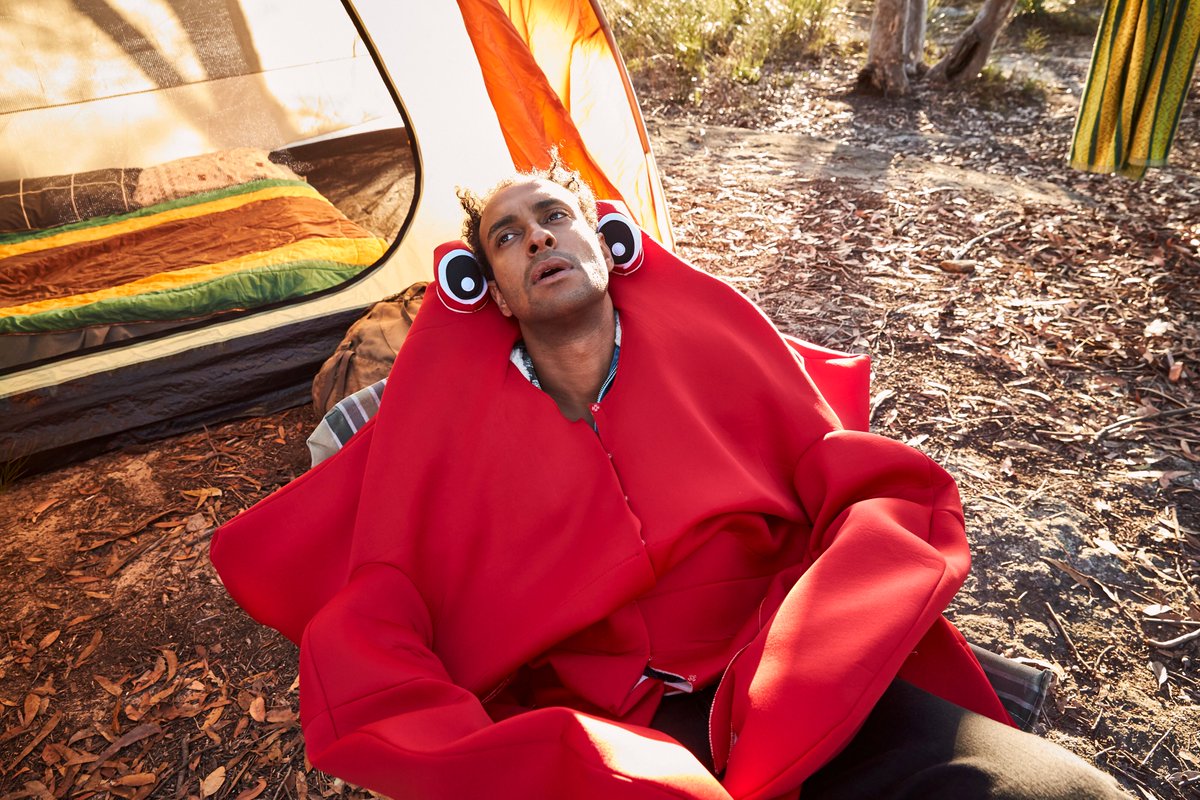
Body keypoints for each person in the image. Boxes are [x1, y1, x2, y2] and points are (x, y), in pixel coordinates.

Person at [211, 158, 1129, 800]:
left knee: (1059, 793)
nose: (537, 239)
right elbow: (370, 618)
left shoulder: (721, 353)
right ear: (488, 288)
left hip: (790, 678)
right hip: (615, 738)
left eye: (555, 217)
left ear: (607, 240)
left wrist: (820, 650)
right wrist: (522, 754)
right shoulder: (445, 437)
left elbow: (867, 485)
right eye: (508, 236)